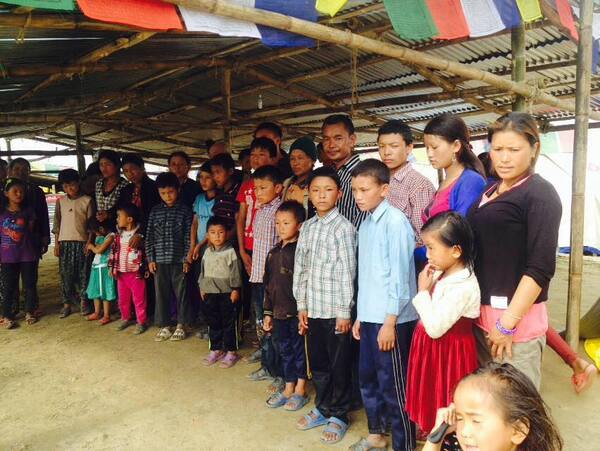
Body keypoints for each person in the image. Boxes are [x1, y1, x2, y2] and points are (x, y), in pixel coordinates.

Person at [467, 112, 561, 390]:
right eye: (497, 149)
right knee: (488, 402)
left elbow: (540, 267)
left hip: (515, 326)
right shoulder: (491, 190)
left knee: (515, 404)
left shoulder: (540, 194)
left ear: (534, 149)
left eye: (514, 149)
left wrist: (507, 324)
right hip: (482, 319)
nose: (504, 158)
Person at [349, 159, 418, 451]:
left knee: (394, 386)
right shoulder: (366, 223)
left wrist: (390, 322)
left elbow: (400, 278)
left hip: (393, 320)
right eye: (355, 190)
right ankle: (376, 434)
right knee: (368, 379)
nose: (358, 196)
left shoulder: (395, 223)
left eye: (365, 189)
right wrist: (360, 316)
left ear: (384, 190)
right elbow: (368, 276)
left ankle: (405, 445)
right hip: (371, 316)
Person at [294, 166, 356, 445]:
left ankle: (340, 414)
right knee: (318, 363)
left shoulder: (344, 229)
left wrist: (344, 311)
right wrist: (301, 305)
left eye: (328, 190)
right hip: (313, 308)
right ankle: (323, 407)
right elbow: (301, 268)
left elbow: (347, 272)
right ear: (308, 194)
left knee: (339, 364)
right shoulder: (307, 227)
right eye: (316, 190)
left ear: (339, 194)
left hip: (335, 311)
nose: (321, 195)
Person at [405, 212, 480, 437]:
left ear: (456, 251)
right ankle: (433, 434)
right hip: (434, 352)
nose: (427, 255)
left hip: (449, 354)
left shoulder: (463, 285)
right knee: (431, 398)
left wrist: (422, 292)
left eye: (431, 248)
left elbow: (436, 328)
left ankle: (443, 439)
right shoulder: (444, 273)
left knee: (446, 403)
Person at [423, 363, 563, 451]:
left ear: (517, 430)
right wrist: (436, 436)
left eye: (476, 421)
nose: (464, 432)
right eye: (459, 419)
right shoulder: (457, 445)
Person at [262, 201, 309, 411]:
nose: (281, 227)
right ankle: (289, 386)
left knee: (300, 352)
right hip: (278, 313)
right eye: (278, 223)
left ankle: (300, 389)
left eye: (286, 223)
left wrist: (304, 311)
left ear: (299, 225)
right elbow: (267, 285)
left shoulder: (301, 252)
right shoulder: (272, 253)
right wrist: (267, 313)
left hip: (296, 314)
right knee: (285, 350)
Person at [146, 172, 193, 342]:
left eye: (170, 192)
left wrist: (187, 259)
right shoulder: (155, 211)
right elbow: (149, 236)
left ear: (178, 190)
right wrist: (150, 259)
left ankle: (181, 324)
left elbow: (188, 237)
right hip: (159, 261)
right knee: (161, 294)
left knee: (182, 293)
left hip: (179, 261)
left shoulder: (185, 211)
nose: (167, 196)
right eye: (163, 193)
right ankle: (165, 325)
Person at [248, 165, 284, 386]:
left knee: (274, 327)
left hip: (272, 281)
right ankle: (267, 365)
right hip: (257, 278)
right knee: (261, 324)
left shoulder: (279, 212)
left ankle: (278, 372)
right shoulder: (260, 210)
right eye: (256, 188)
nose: (258, 192)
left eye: (263, 188)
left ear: (278, 188)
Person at [378, 119, 435, 243]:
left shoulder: (419, 186)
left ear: (409, 148)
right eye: (382, 146)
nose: (386, 152)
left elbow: (424, 239)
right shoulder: (377, 181)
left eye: (394, 146)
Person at [422, 114, 486, 221]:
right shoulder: (445, 182)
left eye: (434, 147)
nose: (429, 154)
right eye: (427, 148)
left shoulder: (470, 181)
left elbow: (461, 226)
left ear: (456, 146)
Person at [8, 158, 50, 317]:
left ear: (29, 172)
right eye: (17, 169)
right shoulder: (3, 191)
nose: (21, 172)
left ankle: (31, 307)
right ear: (9, 171)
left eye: (25, 169)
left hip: (31, 240)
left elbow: (43, 215)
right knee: (9, 276)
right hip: (9, 242)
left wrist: (45, 237)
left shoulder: (36, 191)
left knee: (30, 275)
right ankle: (12, 307)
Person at [199, 216, 243, 368]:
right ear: (207, 235)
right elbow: (203, 271)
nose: (217, 236)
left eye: (221, 232)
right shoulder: (207, 252)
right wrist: (202, 287)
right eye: (213, 233)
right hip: (210, 292)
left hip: (227, 293)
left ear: (227, 233)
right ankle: (216, 349)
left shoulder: (230, 252)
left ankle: (231, 351)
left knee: (229, 322)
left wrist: (235, 289)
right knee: (213, 322)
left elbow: (236, 273)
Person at [53, 169, 94, 318]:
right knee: (65, 275)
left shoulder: (87, 200)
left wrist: (89, 243)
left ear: (78, 183)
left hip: (82, 242)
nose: (69, 188)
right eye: (65, 186)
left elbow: (91, 226)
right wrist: (57, 244)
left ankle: (84, 302)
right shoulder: (60, 201)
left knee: (84, 273)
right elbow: (57, 224)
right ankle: (66, 304)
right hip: (64, 243)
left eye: (72, 184)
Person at [0, 178, 40, 329]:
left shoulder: (28, 211)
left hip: (27, 254)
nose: (19, 194)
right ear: (6, 193)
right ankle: (7, 315)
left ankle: (29, 311)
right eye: (15, 191)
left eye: (21, 191)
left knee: (29, 284)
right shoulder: (2, 212)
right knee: (8, 286)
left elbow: (31, 230)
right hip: (7, 256)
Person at [321, 114, 367, 229]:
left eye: (338, 138)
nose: (331, 145)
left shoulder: (365, 175)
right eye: (326, 139)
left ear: (352, 140)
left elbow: (366, 220)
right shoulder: (325, 174)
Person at [109, 203, 148, 335]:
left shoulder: (139, 235)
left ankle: (141, 321)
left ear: (129, 219)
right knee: (123, 299)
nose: (117, 219)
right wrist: (111, 267)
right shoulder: (118, 235)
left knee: (139, 299)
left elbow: (145, 253)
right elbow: (113, 252)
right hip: (121, 273)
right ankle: (125, 318)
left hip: (136, 273)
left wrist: (145, 269)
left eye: (119, 216)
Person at [85, 219, 117, 325]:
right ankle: (97, 312)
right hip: (96, 266)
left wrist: (91, 247)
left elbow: (99, 250)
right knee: (95, 290)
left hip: (104, 267)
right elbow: (98, 248)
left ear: (102, 229)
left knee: (104, 292)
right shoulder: (100, 237)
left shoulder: (111, 237)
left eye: (96, 232)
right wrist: (95, 248)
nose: (96, 235)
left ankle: (106, 315)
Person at [119, 154, 160, 232]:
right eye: (126, 171)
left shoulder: (154, 187)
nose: (130, 174)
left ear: (142, 168)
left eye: (133, 169)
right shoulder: (126, 190)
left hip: (149, 231)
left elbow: (154, 214)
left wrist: (141, 232)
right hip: (129, 231)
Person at [282, 136, 316, 218]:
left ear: (312, 160)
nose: (295, 163)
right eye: (292, 159)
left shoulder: (316, 184)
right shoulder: (287, 183)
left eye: (300, 158)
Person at [94, 150, 129, 230]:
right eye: (101, 165)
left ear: (117, 165)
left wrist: (109, 214)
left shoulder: (125, 186)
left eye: (108, 164)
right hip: (100, 230)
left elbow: (124, 208)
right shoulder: (98, 184)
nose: (104, 168)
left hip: (118, 229)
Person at [210, 153, 241, 235]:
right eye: (213, 173)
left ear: (230, 171)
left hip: (232, 240)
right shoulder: (218, 192)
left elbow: (239, 220)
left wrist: (229, 236)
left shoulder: (238, 192)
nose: (215, 177)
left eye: (218, 172)